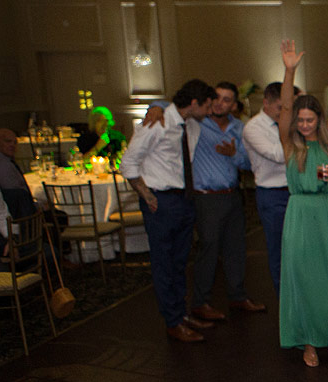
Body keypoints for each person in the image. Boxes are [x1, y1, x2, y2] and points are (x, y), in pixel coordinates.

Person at [276, 40, 328, 367]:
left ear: (318, 119)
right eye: (301, 120)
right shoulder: (290, 146)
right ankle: (309, 343)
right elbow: (283, 108)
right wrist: (289, 70)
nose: (305, 124)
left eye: (310, 120)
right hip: (299, 216)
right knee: (305, 280)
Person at [120, 79, 216, 342]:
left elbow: (171, 107)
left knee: (180, 261)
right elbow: (128, 163)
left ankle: (182, 314)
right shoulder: (157, 124)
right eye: (207, 106)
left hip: (183, 199)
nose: (210, 111)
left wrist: (157, 104)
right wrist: (146, 194)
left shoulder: (190, 125)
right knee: (164, 262)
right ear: (195, 103)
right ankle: (172, 321)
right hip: (161, 200)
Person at [186, 81, 265, 321]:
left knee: (236, 248)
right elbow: (174, 106)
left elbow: (249, 163)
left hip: (232, 195)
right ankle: (200, 302)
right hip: (206, 197)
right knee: (208, 250)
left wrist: (235, 155)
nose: (220, 103)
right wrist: (156, 108)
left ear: (233, 105)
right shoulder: (196, 124)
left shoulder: (239, 128)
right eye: (217, 98)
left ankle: (238, 296)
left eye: (226, 99)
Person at [243, 81, 288, 296]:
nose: (283, 113)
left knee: (298, 248)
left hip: (294, 192)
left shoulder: (289, 122)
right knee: (278, 249)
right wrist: (295, 138)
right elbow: (279, 156)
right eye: (280, 107)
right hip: (272, 194)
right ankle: (283, 299)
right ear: (266, 103)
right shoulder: (253, 127)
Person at [0, 128, 36, 218]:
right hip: (14, 213)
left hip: (16, 207)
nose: (12, 145)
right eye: (8, 141)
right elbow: (15, 193)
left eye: (15, 142)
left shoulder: (0, 158)